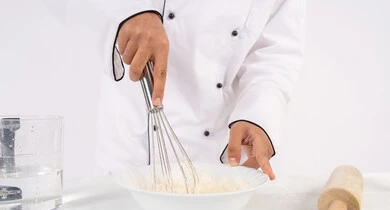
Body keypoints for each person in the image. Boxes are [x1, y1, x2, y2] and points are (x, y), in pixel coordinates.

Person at [46, 0, 305, 180]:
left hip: (217, 157)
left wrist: (258, 116)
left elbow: (275, 54)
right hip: (132, 151)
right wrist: (125, 10)